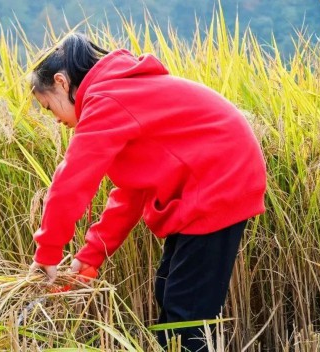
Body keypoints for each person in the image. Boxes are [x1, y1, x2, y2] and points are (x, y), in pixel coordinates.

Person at [28, 32, 266, 351]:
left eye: (48, 108)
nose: (56, 121)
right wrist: (90, 257)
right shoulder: (117, 92)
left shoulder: (106, 97)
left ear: (60, 82)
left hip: (218, 181)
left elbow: (71, 180)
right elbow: (131, 192)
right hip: (211, 182)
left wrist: (47, 254)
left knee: (186, 313)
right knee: (168, 291)